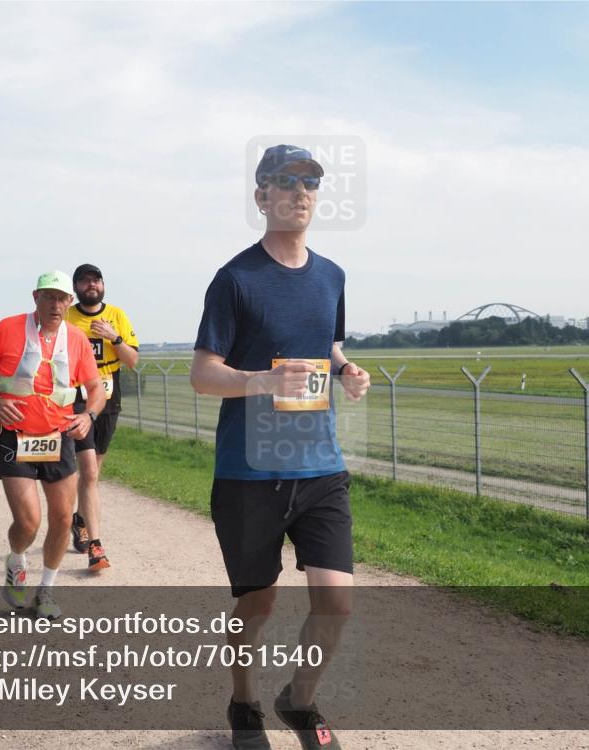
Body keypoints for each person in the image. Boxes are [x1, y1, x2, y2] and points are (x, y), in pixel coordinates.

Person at [190, 145, 371, 750]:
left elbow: (328, 344)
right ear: (261, 196)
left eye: (311, 182)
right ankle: (244, 703)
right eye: (285, 182)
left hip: (321, 465)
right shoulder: (235, 279)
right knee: (257, 603)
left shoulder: (333, 276)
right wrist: (259, 381)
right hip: (249, 471)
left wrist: (347, 370)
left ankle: (298, 698)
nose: (300, 192)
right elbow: (202, 374)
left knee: (336, 602)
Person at [0, 271, 105, 620]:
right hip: (15, 435)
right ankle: (16, 560)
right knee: (28, 522)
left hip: (60, 437)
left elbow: (96, 388)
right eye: (48, 297)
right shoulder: (9, 329)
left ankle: (46, 591)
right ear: (35, 298)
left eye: (61, 298)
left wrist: (89, 415)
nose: (56, 305)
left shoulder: (76, 339)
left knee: (61, 518)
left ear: (69, 302)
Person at [64, 263, 140, 572]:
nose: (91, 285)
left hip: (108, 399)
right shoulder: (67, 317)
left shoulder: (117, 315)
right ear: (76, 288)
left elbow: (133, 361)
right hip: (77, 401)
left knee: (95, 468)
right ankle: (94, 544)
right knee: (89, 472)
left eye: (96, 280)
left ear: (103, 285)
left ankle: (79, 519)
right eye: (85, 281)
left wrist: (114, 338)